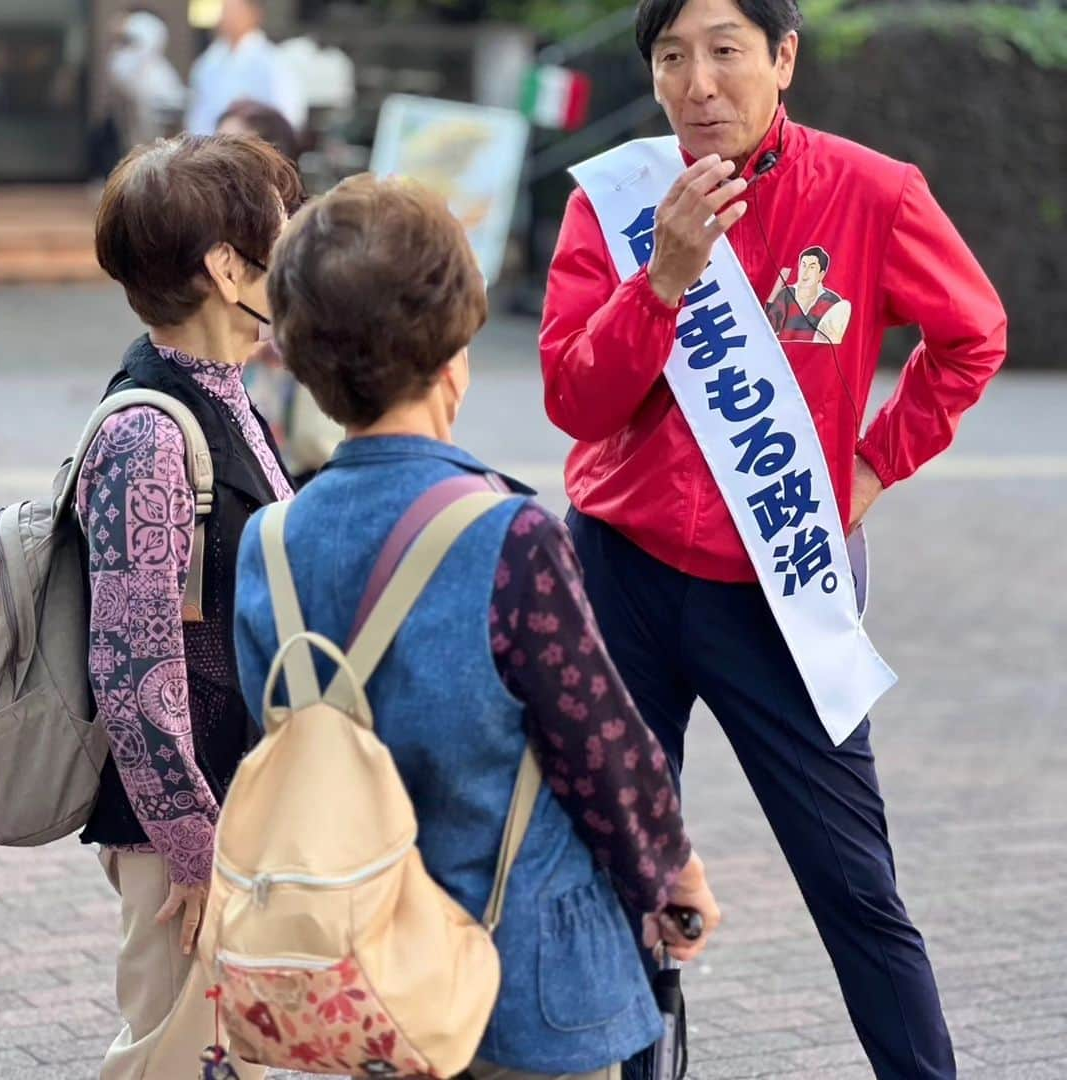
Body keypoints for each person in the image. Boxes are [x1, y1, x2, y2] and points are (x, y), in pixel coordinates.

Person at [539, 0, 1007, 1077]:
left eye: (725, 52)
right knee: (622, 863)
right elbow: (574, 396)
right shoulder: (615, 202)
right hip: (622, 572)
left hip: (781, 584)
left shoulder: (873, 193)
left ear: (783, 58)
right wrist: (663, 278)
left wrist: (879, 461)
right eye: (670, 57)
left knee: (854, 884)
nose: (697, 84)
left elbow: (971, 335)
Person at [232, 174, 721, 1080]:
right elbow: (602, 745)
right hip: (519, 979)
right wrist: (671, 874)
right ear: (458, 343)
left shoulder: (269, 541)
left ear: (302, 358)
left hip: (359, 981)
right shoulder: (511, 536)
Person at [79, 132, 302, 1079]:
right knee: (174, 1056)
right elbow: (132, 674)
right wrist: (194, 851)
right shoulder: (148, 432)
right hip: (185, 836)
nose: (290, 251)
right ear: (225, 265)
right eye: (276, 234)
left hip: (236, 805)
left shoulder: (227, 393)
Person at [216, 100, 344, 484]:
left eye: (229, 151)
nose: (212, 164)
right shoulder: (214, 239)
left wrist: (271, 343)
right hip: (239, 447)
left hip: (303, 445)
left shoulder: (317, 234)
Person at [186, 0, 305, 137]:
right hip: (208, 148)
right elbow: (197, 114)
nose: (227, 17)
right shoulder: (208, 62)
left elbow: (289, 116)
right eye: (225, 11)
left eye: (234, 11)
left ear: (254, 14)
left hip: (255, 148)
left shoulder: (274, 62)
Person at [105, 9, 186, 151]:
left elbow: (174, 114)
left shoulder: (161, 75)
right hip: (134, 142)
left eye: (130, 41)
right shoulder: (122, 61)